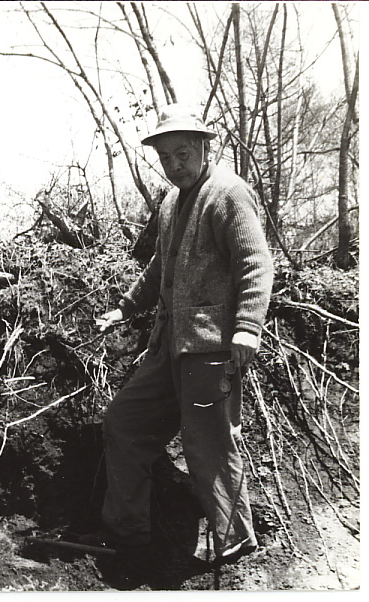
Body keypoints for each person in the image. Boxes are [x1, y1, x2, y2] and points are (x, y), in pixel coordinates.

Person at [89, 104, 274, 567]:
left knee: (209, 444)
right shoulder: (171, 202)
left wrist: (248, 327)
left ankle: (233, 540)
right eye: (166, 157)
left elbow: (255, 263)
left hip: (210, 350)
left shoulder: (229, 193)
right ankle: (129, 534)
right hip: (169, 346)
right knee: (125, 423)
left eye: (183, 154)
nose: (175, 165)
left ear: (205, 147)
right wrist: (125, 306)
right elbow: (159, 268)